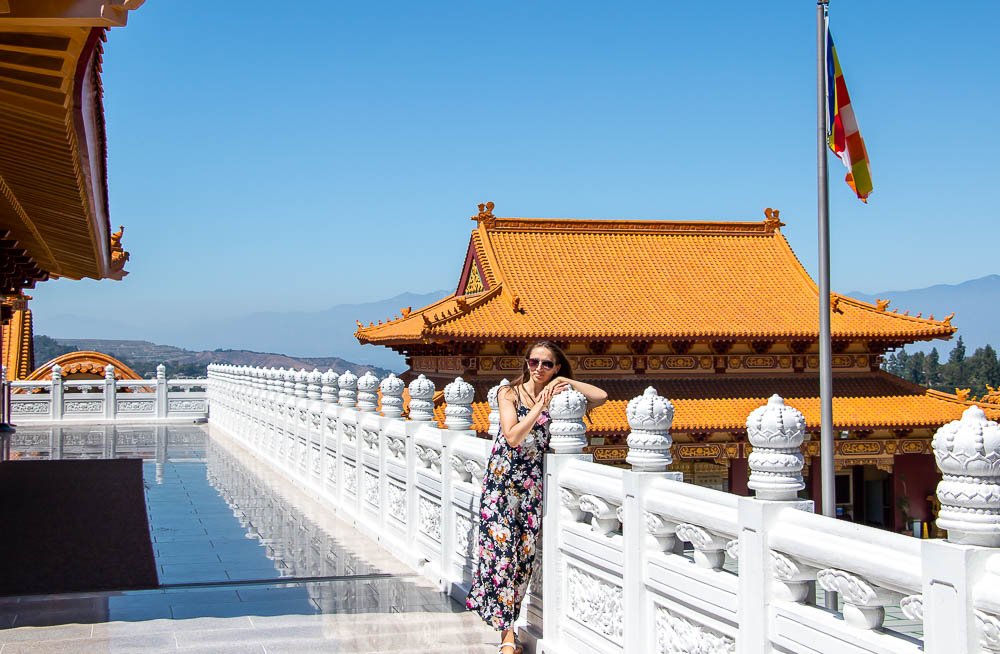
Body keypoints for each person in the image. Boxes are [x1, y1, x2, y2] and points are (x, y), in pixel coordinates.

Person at [466, 341, 608, 653]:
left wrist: (566, 382)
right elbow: (513, 435)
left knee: (523, 563)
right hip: (502, 486)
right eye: (534, 362)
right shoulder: (510, 393)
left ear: (556, 367)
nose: (539, 369)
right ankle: (507, 637)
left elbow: (601, 397)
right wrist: (539, 407)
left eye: (547, 364)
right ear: (526, 363)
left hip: (531, 489)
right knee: (502, 558)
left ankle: (509, 626)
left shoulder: (558, 391)